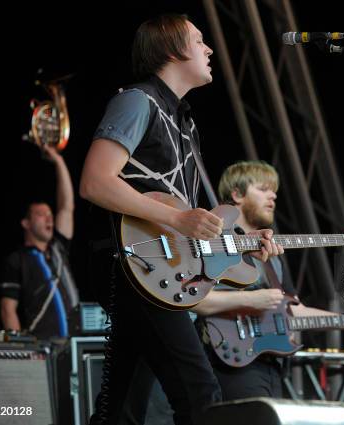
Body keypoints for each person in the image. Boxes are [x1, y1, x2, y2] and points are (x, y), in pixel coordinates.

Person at [79, 14, 281, 425]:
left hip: (156, 268)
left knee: (121, 407)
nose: (209, 50)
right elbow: (95, 182)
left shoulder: (185, 123)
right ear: (171, 49)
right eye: (199, 40)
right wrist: (178, 217)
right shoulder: (138, 100)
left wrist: (242, 243)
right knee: (200, 393)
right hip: (132, 263)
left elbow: (190, 225)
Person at [193, 160, 344, 399]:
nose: (273, 196)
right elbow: (195, 300)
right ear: (236, 194)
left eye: (274, 190)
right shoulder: (212, 245)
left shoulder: (272, 258)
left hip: (270, 365)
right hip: (228, 360)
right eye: (263, 189)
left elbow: (294, 310)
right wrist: (252, 299)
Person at [0, 145, 78, 340]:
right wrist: (20, 349)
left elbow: (66, 207)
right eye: (41, 215)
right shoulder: (17, 260)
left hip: (75, 343)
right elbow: (8, 310)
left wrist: (59, 161)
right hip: (43, 347)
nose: (49, 218)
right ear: (26, 223)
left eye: (50, 214)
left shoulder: (58, 247)